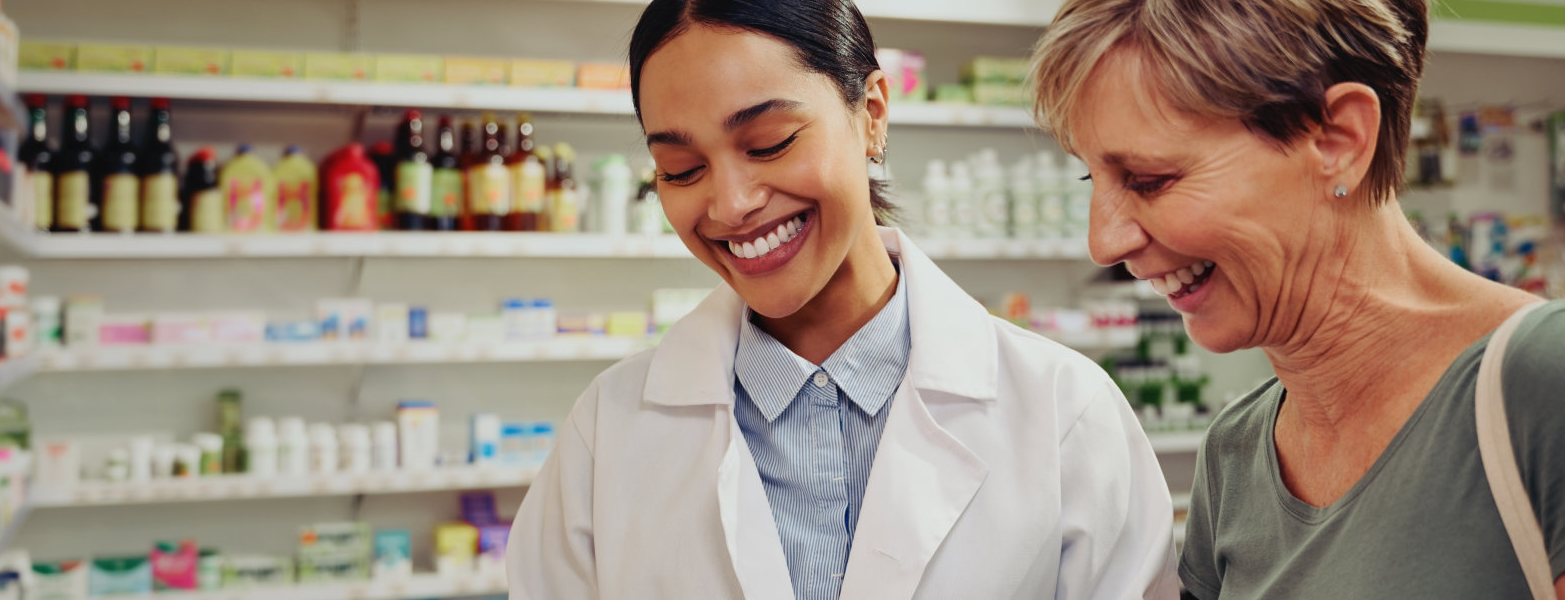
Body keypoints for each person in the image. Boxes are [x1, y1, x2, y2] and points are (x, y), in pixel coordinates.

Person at [1028, 0, 1565, 598]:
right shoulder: (1239, 451)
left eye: (1151, 179)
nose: (1105, 241)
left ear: (1338, 138)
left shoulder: (1563, 382)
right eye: (1091, 178)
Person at [505, 0, 1178, 598]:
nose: (732, 204)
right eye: (681, 170)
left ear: (872, 114)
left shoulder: (1065, 414)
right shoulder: (607, 436)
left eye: (769, 143)